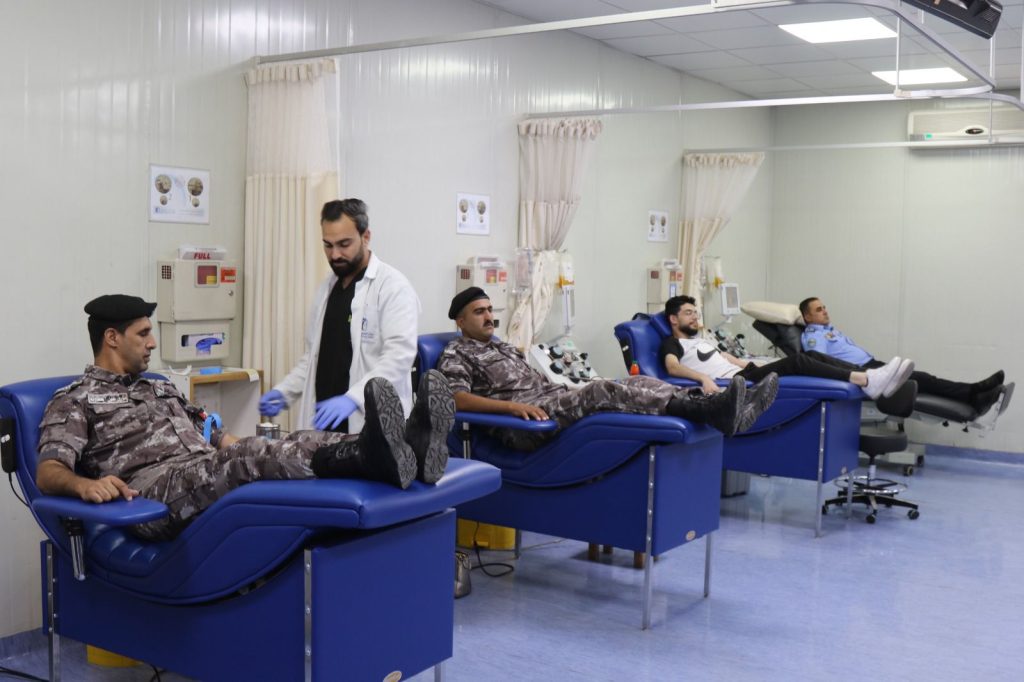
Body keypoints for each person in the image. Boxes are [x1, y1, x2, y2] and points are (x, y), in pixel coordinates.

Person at [35, 295, 453, 541]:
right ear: (111, 338)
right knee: (243, 460)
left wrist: (275, 449)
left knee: (289, 439)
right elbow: (49, 471)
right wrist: (84, 485)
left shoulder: (158, 387)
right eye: (143, 334)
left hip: (201, 471)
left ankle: (404, 448)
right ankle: (372, 457)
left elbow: (217, 436)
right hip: (150, 498)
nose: (152, 343)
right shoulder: (75, 400)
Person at [437, 287, 780, 452]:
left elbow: (542, 383)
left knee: (637, 381)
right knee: (603, 391)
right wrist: (511, 407)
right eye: (479, 312)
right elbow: (456, 399)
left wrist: (568, 390)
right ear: (460, 321)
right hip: (525, 424)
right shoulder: (457, 352)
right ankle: (716, 410)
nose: (489, 317)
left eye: (490, 310)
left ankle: (719, 406)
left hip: (550, 401)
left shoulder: (504, 347)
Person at [259, 199, 420, 433]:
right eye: (328, 245)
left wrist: (353, 398)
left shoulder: (393, 288)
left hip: (372, 424)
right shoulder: (327, 288)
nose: (335, 255)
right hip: (325, 422)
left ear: (366, 236)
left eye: (344, 244)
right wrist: (284, 391)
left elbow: (399, 358)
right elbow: (313, 357)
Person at [660, 296, 914, 400]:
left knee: (812, 355)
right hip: (736, 383)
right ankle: (867, 380)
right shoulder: (673, 343)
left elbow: (732, 360)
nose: (695, 317)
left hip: (745, 371)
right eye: (688, 313)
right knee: (799, 361)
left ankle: (869, 377)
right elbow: (672, 367)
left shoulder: (704, 341)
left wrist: (756, 363)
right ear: (673, 319)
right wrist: (703, 378)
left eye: (696, 312)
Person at [799, 297, 1006, 414]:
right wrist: (855, 375)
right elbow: (819, 362)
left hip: (871, 365)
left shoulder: (829, 331)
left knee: (923, 379)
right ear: (807, 316)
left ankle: (973, 395)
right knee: (921, 380)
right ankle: (973, 393)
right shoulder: (813, 336)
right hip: (863, 373)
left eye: (824, 307)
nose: (825, 311)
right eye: (819, 309)